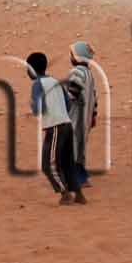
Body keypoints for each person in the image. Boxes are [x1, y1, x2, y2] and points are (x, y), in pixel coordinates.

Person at [28, 51, 73, 204]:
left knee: (48, 165)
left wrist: (33, 105)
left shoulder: (37, 85)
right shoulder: (55, 81)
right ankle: (76, 192)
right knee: (60, 162)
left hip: (55, 127)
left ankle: (65, 193)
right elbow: (68, 104)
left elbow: (39, 109)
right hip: (65, 124)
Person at [60, 41, 98, 203]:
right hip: (86, 117)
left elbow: (72, 94)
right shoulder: (89, 73)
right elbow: (95, 97)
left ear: (76, 57)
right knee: (80, 147)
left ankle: (74, 181)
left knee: (70, 148)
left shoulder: (76, 72)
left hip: (75, 118)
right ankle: (82, 177)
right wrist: (94, 115)